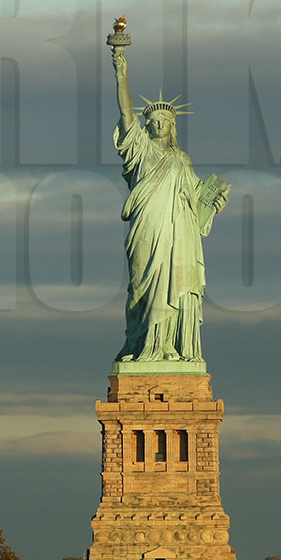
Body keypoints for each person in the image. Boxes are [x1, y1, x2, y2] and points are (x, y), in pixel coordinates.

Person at [110, 36, 229, 363]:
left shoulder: (182, 160)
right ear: (146, 126)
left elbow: (196, 205)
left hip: (180, 236)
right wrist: (121, 70)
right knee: (143, 289)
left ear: (172, 127)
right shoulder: (141, 150)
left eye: (165, 122)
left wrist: (212, 201)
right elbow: (125, 112)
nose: (159, 125)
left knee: (177, 285)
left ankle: (170, 347)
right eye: (154, 122)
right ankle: (146, 345)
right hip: (148, 229)